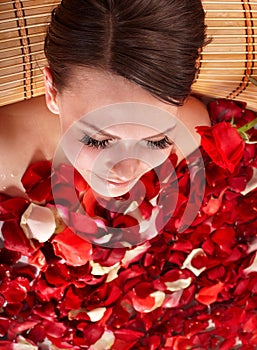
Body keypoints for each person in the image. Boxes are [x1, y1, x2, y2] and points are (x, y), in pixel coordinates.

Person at [0, 0, 210, 197]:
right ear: (52, 91)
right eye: (98, 141)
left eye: (156, 142)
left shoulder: (191, 129)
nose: (126, 171)